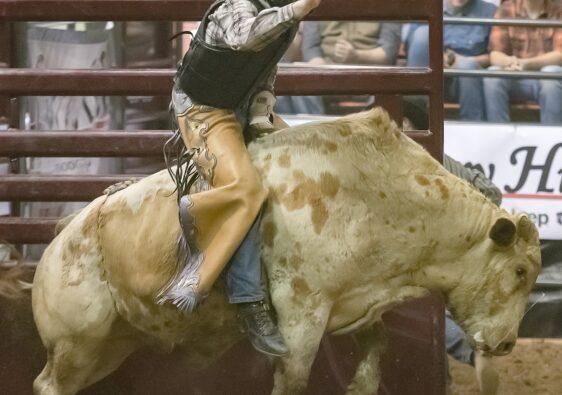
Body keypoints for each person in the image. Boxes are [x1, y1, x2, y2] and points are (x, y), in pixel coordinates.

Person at [160, 0, 323, 357]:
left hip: (241, 105)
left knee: (308, 161)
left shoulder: (277, 13)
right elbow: (244, 38)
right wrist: (297, 9)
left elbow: (264, 68)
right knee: (247, 188)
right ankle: (248, 297)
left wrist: (262, 110)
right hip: (202, 108)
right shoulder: (235, 6)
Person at [404, 0, 497, 121]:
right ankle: (416, 119)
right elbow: (413, 50)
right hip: (432, 77)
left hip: (467, 80)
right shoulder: (427, 7)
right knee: (422, 34)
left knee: (467, 66)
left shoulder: (489, 11)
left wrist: (463, 61)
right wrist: (437, 57)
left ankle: (472, 127)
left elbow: (494, 56)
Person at [483, 0, 562, 124]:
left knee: (552, 73)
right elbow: (495, 55)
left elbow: (560, 55)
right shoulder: (506, 9)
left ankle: (551, 136)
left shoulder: (559, 10)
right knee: (492, 74)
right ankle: (498, 133)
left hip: (545, 79)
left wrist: (527, 63)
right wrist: (511, 62)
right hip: (515, 77)